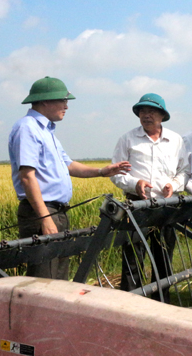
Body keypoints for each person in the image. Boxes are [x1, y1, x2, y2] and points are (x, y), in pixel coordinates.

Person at [9, 76, 131, 280]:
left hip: (57, 211)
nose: (66, 106)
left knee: (58, 277)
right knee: (43, 280)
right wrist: (45, 219)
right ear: (45, 101)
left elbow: (69, 165)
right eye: (62, 100)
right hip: (42, 212)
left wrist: (102, 171)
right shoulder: (27, 128)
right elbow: (27, 177)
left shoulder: (47, 131)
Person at [111, 93, 189, 301]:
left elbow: (184, 171)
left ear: (162, 115)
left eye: (152, 111)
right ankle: (130, 301)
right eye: (143, 111)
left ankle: (161, 300)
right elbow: (117, 173)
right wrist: (135, 184)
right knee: (133, 255)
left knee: (163, 255)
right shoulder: (127, 139)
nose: (147, 115)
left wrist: (173, 185)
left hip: (167, 205)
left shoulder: (176, 140)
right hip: (137, 205)